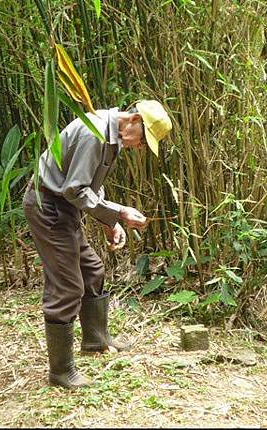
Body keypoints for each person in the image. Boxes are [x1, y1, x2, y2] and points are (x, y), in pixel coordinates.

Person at [22, 100, 172, 389]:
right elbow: (74, 189)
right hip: (49, 207)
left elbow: (90, 185)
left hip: (65, 207)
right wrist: (119, 213)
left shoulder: (111, 134)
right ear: (134, 120)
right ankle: (61, 371)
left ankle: (95, 340)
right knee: (67, 287)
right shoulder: (96, 133)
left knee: (92, 269)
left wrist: (109, 221)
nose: (141, 147)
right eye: (144, 139)